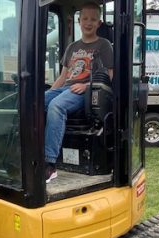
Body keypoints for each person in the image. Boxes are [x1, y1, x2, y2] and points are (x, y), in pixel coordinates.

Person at [45, 2, 113, 183]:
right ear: (79, 20)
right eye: (85, 19)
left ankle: (49, 164)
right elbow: (62, 77)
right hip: (66, 87)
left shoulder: (104, 45)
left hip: (86, 91)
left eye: (93, 19)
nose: (88, 23)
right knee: (34, 103)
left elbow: (109, 76)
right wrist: (48, 93)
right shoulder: (72, 47)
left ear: (99, 23)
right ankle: (29, 154)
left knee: (56, 106)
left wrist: (87, 87)